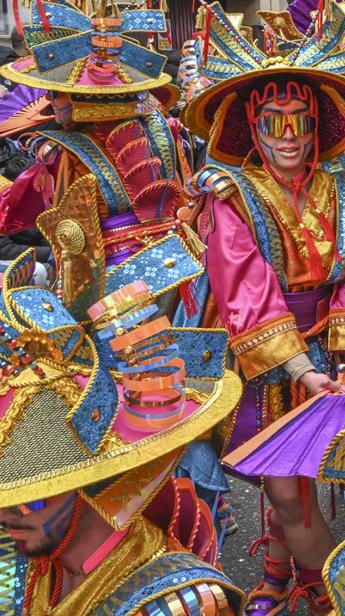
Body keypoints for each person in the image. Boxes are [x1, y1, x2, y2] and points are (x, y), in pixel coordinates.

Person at [184, 0, 345, 615]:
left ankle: (283, 576)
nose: (289, 138)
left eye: (299, 121)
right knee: (284, 488)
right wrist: (298, 368)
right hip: (267, 352)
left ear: (316, 123)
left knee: (307, 477)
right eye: (273, 122)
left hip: (333, 348)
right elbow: (244, 284)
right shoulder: (232, 194)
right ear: (252, 126)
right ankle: (338, 592)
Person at [0, 240, 244, 614]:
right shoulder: (22, 558)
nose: (6, 514)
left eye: (32, 493)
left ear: (87, 481)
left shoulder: (181, 605)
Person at [0, 0, 191, 274]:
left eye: (55, 93)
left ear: (78, 97)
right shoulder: (164, 126)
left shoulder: (62, 152)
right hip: (174, 259)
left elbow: (12, 212)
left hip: (106, 272)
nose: (50, 102)